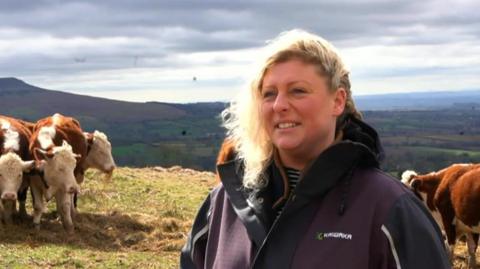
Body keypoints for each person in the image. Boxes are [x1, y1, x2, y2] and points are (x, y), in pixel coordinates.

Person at [180, 29, 450, 269]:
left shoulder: (389, 210)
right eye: (269, 93)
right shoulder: (225, 202)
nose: (279, 105)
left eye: (298, 91)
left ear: (338, 101)